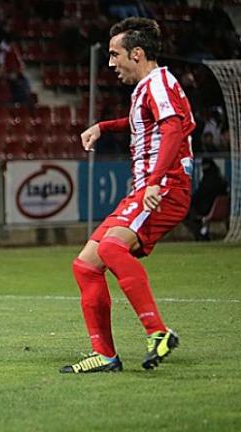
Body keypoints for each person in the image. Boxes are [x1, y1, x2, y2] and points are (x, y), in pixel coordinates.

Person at [62, 17, 195, 373]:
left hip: (163, 189)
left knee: (109, 248)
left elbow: (172, 128)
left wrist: (154, 180)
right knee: (86, 265)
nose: (110, 63)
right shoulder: (149, 89)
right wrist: (104, 127)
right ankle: (105, 355)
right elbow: (144, 123)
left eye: (114, 54)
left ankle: (158, 332)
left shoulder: (160, 83)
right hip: (148, 189)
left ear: (137, 53)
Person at [184, 158, 228, 241]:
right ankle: (203, 231)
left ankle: (201, 233)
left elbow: (199, 195)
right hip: (214, 208)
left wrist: (188, 201)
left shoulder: (207, 182)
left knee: (187, 212)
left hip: (206, 208)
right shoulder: (221, 181)